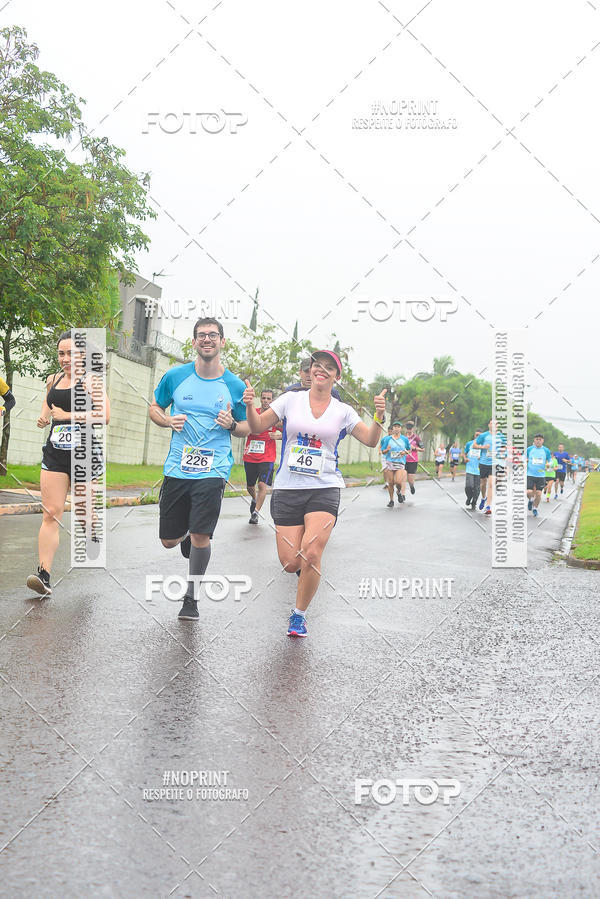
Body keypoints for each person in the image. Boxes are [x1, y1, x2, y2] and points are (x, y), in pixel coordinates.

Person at [243, 350, 387, 638]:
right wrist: (249, 406)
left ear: (337, 376)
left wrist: (379, 416)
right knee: (290, 563)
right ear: (310, 371)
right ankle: (306, 572)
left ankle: (299, 616)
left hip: (324, 488)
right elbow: (257, 426)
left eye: (328, 367)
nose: (321, 370)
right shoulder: (290, 400)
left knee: (311, 552)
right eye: (316, 365)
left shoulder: (343, 411)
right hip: (288, 487)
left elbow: (371, 440)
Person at [149, 317, 250, 621]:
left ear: (222, 342)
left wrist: (231, 424)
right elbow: (155, 407)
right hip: (177, 467)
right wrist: (168, 420)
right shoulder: (176, 376)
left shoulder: (234, 385)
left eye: (213, 335)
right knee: (168, 541)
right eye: (202, 335)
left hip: (214, 468)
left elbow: (247, 427)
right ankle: (184, 536)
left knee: (201, 535)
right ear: (194, 342)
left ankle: (191, 599)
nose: (207, 339)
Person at [26, 332, 109, 596]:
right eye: (61, 353)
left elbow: (104, 415)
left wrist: (67, 415)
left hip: (85, 453)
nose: (65, 358)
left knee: (84, 512)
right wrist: (43, 417)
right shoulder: (53, 379)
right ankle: (44, 575)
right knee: (50, 512)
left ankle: (92, 533)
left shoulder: (91, 380)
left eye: (71, 353)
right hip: (56, 452)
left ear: (83, 354)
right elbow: (48, 403)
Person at [243, 388, 281, 524]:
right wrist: (246, 430)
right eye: (263, 398)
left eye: (268, 399)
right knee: (250, 486)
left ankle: (255, 513)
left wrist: (278, 436)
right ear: (260, 399)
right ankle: (254, 499)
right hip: (250, 455)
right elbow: (243, 427)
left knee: (262, 485)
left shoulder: (275, 416)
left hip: (267, 456)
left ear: (272, 400)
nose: (265, 401)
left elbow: (290, 433)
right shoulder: (253, 413)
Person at [475, 419, 506, 516]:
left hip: (494, 463)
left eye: (495, 424)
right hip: (483, 462)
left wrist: (501, 451)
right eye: (492, 423)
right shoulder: (483, 435)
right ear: (489, 425)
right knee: (483, 484)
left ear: (497, 426)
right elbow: (474, 445)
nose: (493, 425)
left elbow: (504, 446)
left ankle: (488, 506)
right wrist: (483, 447)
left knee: (491, 484)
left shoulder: (501, 436)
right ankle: (483, 498)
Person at [380, 420, 410, 507]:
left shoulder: (404, 439)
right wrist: (387, 449)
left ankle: (398, 492)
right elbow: (383, 451)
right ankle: (391, 500)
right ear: (393, 428)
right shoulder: (387, 439)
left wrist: (405, 452)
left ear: (401, 428)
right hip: (390, 462)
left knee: (398, 482)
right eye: (395, 426)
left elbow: (409, 450)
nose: (396, 428)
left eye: (398, 427)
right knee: (390, 482)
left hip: (400, 463)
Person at [526, 434, 551, 518]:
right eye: (537, 439)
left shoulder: (546, 450)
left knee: (539, 493)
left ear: (543, 441)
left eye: (540, 439)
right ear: (534, 440)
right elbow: (523, 457)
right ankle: (531, 500)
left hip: (541, 475)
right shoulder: (529, 449)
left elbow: (550, 460)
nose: (538, 441)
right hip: (530, 474)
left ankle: (535, 508)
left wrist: (548, 464)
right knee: (529, 492)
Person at [463, 428, 483, 510]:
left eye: (479, 435)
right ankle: (469, 497)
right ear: (474, 435)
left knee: (477, 488)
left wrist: (482, 458)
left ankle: (474, 502)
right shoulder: (469, 444)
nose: (477, 437)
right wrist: (465, 458)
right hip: (470, 468)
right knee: (468, 486)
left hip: (479, 470)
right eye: (476, 435)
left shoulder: (484, 446)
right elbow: (464, 453)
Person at [404, 421, 424, 494]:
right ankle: (402, 494)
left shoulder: (416, 438)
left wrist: (414, 448)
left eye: (410, 428)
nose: (409, 430)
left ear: (413, 429)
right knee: (402, 478)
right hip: (403, 460)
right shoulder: (403, 437)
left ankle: (411, 486)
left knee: (410, 478)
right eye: (407, 428)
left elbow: (423, 449)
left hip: (412, 461)